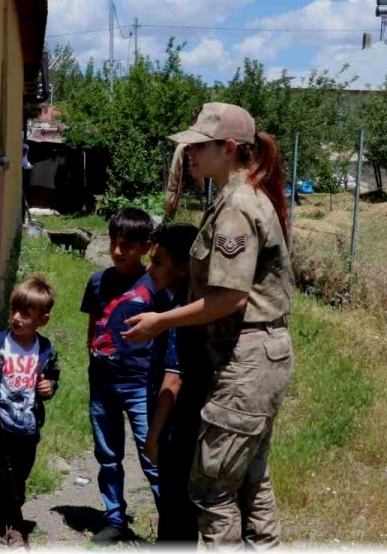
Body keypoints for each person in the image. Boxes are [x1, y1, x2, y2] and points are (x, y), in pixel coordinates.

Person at [121, 102, 295, 550]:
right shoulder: (238, 197)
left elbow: (230, 297)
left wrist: (160, 321)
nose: (190, 154)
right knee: (251, 480)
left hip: (246, 361)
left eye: (199, 146)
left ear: (229, 148)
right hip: (255, 357)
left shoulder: (237, 205)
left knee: (212, 487)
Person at [80, 207, 160, 543]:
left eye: (127, 245)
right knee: (108, 456)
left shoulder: (155, 285)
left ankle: (172, 525)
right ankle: (114, 518)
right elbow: (92, 328)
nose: (117, 250)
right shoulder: (97, 281)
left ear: (146, 246)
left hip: (141, 385)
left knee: (152, 456)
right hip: (103, 384)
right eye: (113, 241)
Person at [0, 274, 61, 550]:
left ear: (43, 320)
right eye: (13, 310)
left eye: (25, 314)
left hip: (27, 430)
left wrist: (49, 387)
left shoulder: (45, 350)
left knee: (17, 480)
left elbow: (53, 377)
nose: (16, 318)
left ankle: (15, 527)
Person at [138, 222, 204, 544]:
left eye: (158, 262)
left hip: (176, 434)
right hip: (182, 432)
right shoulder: (182, 306)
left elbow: (173, 380)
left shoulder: (178, 313)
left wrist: (153, 437)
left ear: (182, 267)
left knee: (175, 517)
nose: (149, 269)